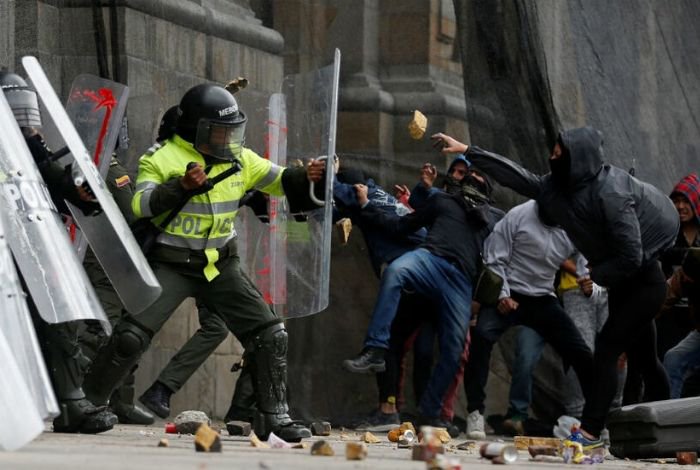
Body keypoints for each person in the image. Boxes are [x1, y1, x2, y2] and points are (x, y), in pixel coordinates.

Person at [82, 83, 325, 441]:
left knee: (271, 334)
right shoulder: (161, 157)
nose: (228, 138)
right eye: (219, 131)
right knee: (130, 337)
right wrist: (180, 186)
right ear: (195, 129)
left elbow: (279, 181)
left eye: (233, 130)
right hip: (172, 263)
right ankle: (87, 405)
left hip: (221, 265)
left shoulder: (242, 158)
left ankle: (274, 415)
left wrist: (308, 176)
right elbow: (140, 204)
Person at [432, 128, 678, 449]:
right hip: (584, 286)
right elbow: (518, 178)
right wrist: (469, 150)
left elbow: (630, 255)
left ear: (578, 159)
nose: (553, 156)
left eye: (559, 152)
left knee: (603, 349)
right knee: (645, 359)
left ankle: (591, 431)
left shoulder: (611, 195)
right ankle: (667, 426)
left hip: (642, 282)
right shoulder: (553, 191)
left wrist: (598, 276)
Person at [1, 71, 117, 433]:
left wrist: (79, 192)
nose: (26, 126)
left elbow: (57, 183)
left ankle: (70, 403)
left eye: (28, 115)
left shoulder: (33, 150)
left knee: (60, 316)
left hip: (28, 248)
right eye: (15, 115)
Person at [342, 165, 498, 430]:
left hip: (460, 280)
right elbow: (402, 225)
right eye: (469, 177)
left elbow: (503, 252)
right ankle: (376, 349)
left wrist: (483, 298)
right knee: (396, 271)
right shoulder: (442, 202)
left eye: (478, 180)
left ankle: (431, 412)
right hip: (430, 259)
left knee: (454, 349)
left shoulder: (490, 218)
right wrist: (367, 206)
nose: (472, 181)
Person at [463, 200, 594, 439]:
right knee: (481, 335)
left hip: (542, 296)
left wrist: (587, 279)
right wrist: (502, 295)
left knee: (581, 352)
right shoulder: (519, 215)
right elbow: (494, 258)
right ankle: (475, 411)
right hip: (509, 289)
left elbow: (586, 257)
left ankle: (594, 423)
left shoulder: (573, 224)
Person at [662, 248, 700, 398]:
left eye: (690, 277)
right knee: (674, 358)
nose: (685, 279)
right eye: (684, 275)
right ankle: (670, 413)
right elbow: (659, 302)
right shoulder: (682, 278)